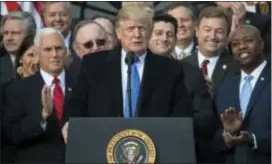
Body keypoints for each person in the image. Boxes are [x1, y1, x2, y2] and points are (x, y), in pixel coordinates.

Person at [62, 5, 192, 143]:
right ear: (118, 33)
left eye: (142, 28)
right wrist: (71, 125)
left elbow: (181, 112)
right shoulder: (93, 64)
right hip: (102, 144)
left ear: (149, 32)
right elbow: (76, 104)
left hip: (154, 146)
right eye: (130, 29)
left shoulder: (169, 69)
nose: (137, 35)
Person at [149, 14, 217, 163]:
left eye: (170, 34)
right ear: (148, 35)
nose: (164, 38)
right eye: (159, 33)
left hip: (179, 149)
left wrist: (176, 126)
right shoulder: (134, 71)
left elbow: (205, 117)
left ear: (175, 39)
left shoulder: (190, 72)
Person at [3, 28, 76, 163]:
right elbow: (11, 134)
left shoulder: (81, 84)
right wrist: (42, 116)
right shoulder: (17, 89)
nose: (54, 54)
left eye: (58, 48)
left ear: (65, 51)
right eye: (47, 49)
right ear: (37, 54)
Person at [213, 25, 271, 164]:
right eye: (235, 44)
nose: (242, 47)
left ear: (262, 44)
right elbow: (214, 135)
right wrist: (228, 135)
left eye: (248, 40)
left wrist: (254, 139)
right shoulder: (225, 87)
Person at [183, 6, 240, 94]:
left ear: (227, 35)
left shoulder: (237, 68)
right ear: (197, 31)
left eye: (219, 31)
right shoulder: (182, 66)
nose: (213, 36)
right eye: (207, 30)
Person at [0, 11, 36, 82]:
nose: (9, 38)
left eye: (15, 33)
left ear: (31, 34)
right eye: (5, 33)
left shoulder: (45, 64)